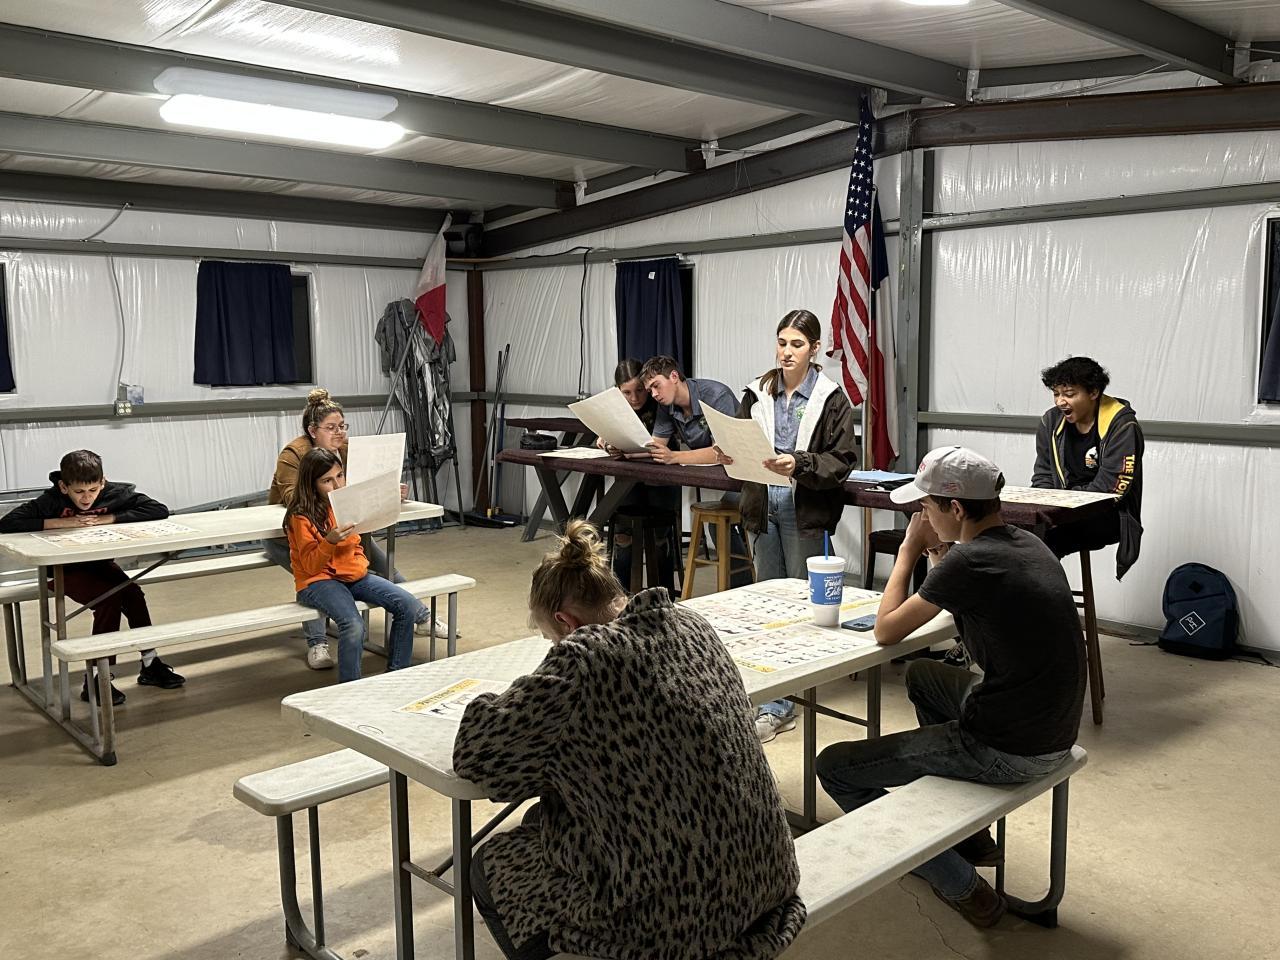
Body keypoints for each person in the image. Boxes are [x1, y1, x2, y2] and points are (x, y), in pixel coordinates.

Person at [454, 520, 806, 960]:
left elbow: (477, 757)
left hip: (681, 923)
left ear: (566, 622)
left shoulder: (582, 658)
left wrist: (497, 699)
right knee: (543, 820)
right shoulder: (691, 623)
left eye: (550, 637)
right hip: (766, 877)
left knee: (489, 865)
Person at [815, 446, 1085, 929]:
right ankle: (970, 834)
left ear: (955, 509)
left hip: (1010, 747)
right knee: (923, 676)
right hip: (1052, 728)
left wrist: (907, 550)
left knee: (833, 766)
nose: (921, 517)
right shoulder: (1025, 543)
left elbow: (886, 630)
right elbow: (955, 587)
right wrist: (938, 550)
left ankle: (963, 886)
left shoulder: (971, 562)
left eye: (925, 507)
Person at [717, 310, 858, 743]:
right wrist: (729, 453)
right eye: (782, 343)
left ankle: (783, 703)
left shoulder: (832, 399)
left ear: (814, 349)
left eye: (797, 344)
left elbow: (842, 460)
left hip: (803, 507)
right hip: (762, 504)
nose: (786, 352)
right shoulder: (756, 392)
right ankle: (767, 695)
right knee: (765, 605)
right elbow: (738, 440)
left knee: (799, 605)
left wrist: (800, 463)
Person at [267, 388, 454, 671]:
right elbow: (296, 499)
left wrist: (388, 491)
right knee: (318, 584)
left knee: (384, 568)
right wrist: (341, 509)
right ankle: (317, 642)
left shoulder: (345, 451)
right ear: (313, 431)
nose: (339, 433)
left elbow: (366, 487)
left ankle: (420, 620)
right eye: (331, 428)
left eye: (343, 426)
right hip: (295, 543)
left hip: (344, 542)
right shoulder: (294, 455)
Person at [0, 450, 185, 705]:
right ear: (64, 487)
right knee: (108, 599)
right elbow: (7, 523)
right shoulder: (51, 500)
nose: (86, 498)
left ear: (102, 482)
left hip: (100, 565)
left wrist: (109, 518)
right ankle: (96, 679)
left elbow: (158, 509)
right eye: (78, 492)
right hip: (63, 571)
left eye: (93, 490)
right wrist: (62, 523)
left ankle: (150, 663)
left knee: (133, 594)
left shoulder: (114, 493)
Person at [283, 448, 428, 683]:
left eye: (340, 476)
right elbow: (310, 566)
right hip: (317, 581)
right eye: (327, 480)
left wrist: (357, 564)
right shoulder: (300, 517)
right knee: (353, 625)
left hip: (352, 575)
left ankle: (396, 677)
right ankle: (349, 688)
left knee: (407, 606)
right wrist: (330, 541)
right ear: (311, 484)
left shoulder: (345, 503)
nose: (337, 485)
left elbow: (356, 543)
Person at [640, 356, 752, 587]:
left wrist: (675, 457)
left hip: (751, 476)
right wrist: (620, 446)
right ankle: (741, 585)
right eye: (650, 390)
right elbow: (655, 446)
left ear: (674, 376)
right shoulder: (666, 406)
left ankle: (744, 584)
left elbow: (723, 452)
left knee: (723, 523)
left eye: (656, 386)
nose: (654, 394)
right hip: (726, 478)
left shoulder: (716, 395)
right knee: (716, 525)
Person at [1032, 356, 1144, 579]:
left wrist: (1060, 506)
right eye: (1056, 394)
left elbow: (1110, 489)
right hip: (1062, 510)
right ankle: (1019, 596)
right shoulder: (1050, 421)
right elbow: (1043, 474)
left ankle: (1046, 597)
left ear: (1093, 392)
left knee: (1043, 542)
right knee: (1013, 534)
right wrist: (1041, 506)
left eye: (1069, 394)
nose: (1060, 402)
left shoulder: (1122, 425)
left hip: (1108, 515)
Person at [598, 358, 679, 590]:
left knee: (659, 538)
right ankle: (621, 596)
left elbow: (660, 446)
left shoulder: (661, 403)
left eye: (640, 391)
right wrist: (607, 443)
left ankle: (664, 595)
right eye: (627, 392)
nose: (635, 398)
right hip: (629, 480)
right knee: (623, 536)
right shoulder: (614, 408)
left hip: (662, 478)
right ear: (617, 391)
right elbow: (602, 437)